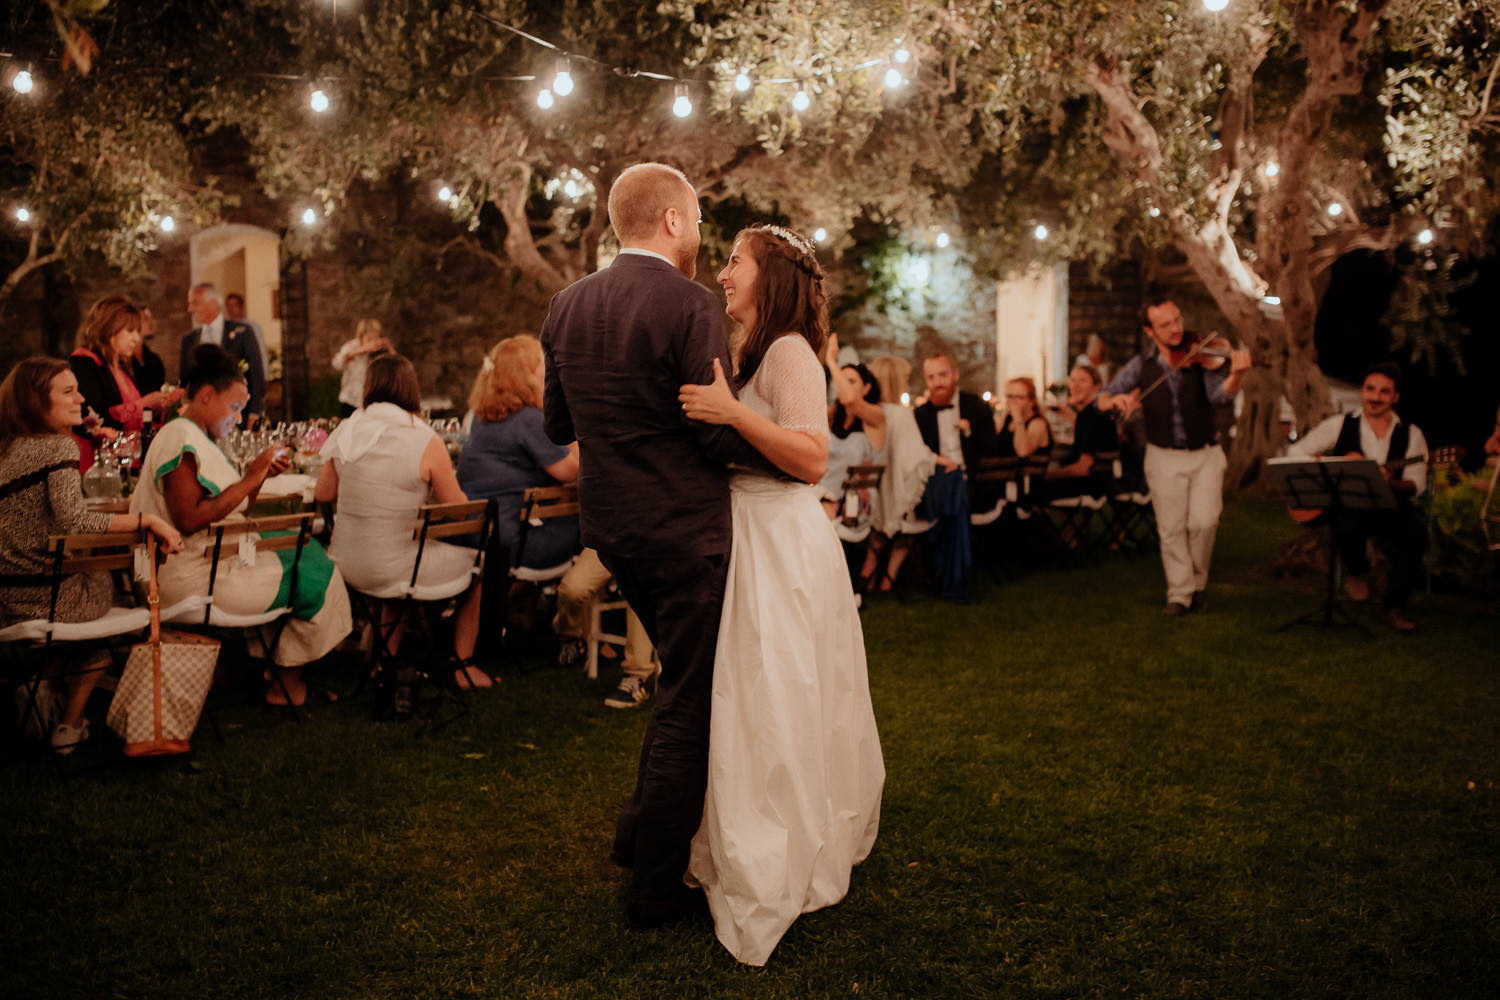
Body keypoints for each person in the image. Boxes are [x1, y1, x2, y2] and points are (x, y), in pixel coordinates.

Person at [539, 162, 780, 933]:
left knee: (677, 687)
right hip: (683, 531)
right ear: (674, 221)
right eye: (701, 221)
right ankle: (652, 887)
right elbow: (715, 433)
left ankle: (637, 838)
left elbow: (554, 426)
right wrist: (782, 463)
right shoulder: (688, 303)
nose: (703, 237)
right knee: (688, 703)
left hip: (612, 530)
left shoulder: (565, 304)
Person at [679, 223, 884, 967]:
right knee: (750, 695)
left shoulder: (791, 350)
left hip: (782, 542)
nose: (724, 273)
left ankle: (786, 841)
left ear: (772, 279)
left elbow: (810, 455)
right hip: (750, 534)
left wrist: (732, 411)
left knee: (780, 692)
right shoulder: (749, 352)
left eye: (735, 261)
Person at [131, 344, 351, 706]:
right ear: (205, 395)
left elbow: (232, 505)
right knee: (314, 566)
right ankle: (285, 679)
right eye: (233, 407)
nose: (237, 417)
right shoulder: (179, 439)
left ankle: (273, 665)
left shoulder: (193, 436)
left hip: (209, 563)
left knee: (304, 550)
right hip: (187, 579)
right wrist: (251, 477)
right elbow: (189, 519)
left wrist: (259, 477)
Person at [1, 358, 183, 755]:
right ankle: (69, 727)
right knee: (108, 619)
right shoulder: (57, 446)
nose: (81, 398)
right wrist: (147, 520)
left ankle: (43, 689)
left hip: (11, 600)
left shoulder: (8, 449)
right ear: (36, 402)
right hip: (51, 600)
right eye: (67, 392)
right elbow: (73, 517)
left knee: (90, 587)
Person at [317, 354, 489, 689]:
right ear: (411, 390)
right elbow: (458, 511)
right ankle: (463, 666)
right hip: (393, 568)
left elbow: (324, 493)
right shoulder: (423, 438)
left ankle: (383, 663)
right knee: (477, 566)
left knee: (396, 572)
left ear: (369, 387)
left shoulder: (347, 429)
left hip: (347, 563)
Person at [1099, 292, 1250, 615]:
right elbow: (1103, 398)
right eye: (1164, 324)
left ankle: (1197, 582)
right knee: (1170, 529)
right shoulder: (1141, 366)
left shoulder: (1201, 357)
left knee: (1204, 522)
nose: (1175, 329)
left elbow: (1219, 397)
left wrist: (1236, 374)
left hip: (1205, 453)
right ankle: (1181, 594)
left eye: (1177, 320)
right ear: (1150, 331)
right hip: (1163, 455)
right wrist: (1116, 401)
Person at [1287, 362, 1429, 631]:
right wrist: (1320, 463)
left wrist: (1392, 483)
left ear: (1395, 397)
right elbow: (1296, 452)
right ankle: (1358, 571)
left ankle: (1395, 607)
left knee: (1415, 533)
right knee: (1345, 520)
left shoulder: (1412, 434)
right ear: (1363, 391)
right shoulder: (1340, 424)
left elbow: (1416, 484)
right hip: (1351, 506)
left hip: (1390, 507)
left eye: (1384, 392)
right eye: (1370, 389)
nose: (1375, 397)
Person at [457, 335, 580, 572]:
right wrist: (566, 413)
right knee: (595, 531)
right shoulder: (528, 420)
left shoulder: (480, 419)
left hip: (478, 534)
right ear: (528, 375)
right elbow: (572, 471)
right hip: (514, 543)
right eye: (541, 364)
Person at [911, 350, 997, 601]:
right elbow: (917, 459)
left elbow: (991, 451)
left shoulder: (976, 407)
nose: (937, 382)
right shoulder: (920, 416)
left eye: (943, 375)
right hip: (935, 488)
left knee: (957, 491)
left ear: (955, 375)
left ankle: (943, 573)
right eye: (931, 377)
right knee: (952, 488)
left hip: (976, 487)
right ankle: (959, 580)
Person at [553, 548, 659, 710]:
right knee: (572, 590)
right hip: (606, 540)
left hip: (644, 546)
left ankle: (637, 677)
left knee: (640, 590)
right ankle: (570, 636)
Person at [69, 296, 184, 437]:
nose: (136, 338)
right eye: (130, 331)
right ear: (109, 329)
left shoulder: (122, 364)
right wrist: (144, 403)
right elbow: (90, 419)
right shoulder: (84, 362)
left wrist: (163, 404)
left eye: (137, 331)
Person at [180, 283, 267, 428]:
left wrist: (254, 413)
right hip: (200, 422)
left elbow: (257, 376)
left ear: (213, 303)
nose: (190, 309)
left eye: (195, 303)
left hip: (238, 418)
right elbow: (185, 381)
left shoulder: (243, 332)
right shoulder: (189, 340)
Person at [819, 348, 882, 519]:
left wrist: (831, 360)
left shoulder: (876, 418)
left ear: (867, 388)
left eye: (851, 381)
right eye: (841, 381)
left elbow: (851, 400)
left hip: (854, 506)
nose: (843, 386)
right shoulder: (832, 417)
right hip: (822, 497)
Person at [1045, 363, 1119, 486]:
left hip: (1091, 487)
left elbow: (1083, 469)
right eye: (1072, 380)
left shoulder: (1092, 416)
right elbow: (1085, 432)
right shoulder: (1089, 414)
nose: (1075, 386)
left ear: (1097, 387)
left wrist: (1047, 476)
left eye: (1082, 381)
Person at [331, 318, 393, 418]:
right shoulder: (351, 346)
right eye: (369, 339)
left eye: (376, 338)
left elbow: (396, 367)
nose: (373, 342)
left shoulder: (380, 351)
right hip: (350, 401)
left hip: (372, 403)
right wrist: (359, 351)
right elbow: (336, 364)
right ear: (361, 336)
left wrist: (389, 347)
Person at [223, 293, 271, 395]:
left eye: (234, 306)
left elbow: (261, 352)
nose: (231, 310)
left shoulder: (252, 327)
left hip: (250, 375)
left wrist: (265, 376)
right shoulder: (225, 329)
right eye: (228, 306)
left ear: (241, 307)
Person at [995, 376, 1053, 459]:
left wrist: (1018, 418)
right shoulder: (1007, 419)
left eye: (1019, 397)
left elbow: (1023, 452)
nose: (1013, 401)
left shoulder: (1038, 423)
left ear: (1031, 401)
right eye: (1009, 396)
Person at [131, 306, 168, 396]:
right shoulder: (122, 360)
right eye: (146, 319)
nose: (152, 322)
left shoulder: (155, 359)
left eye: (151, 318)